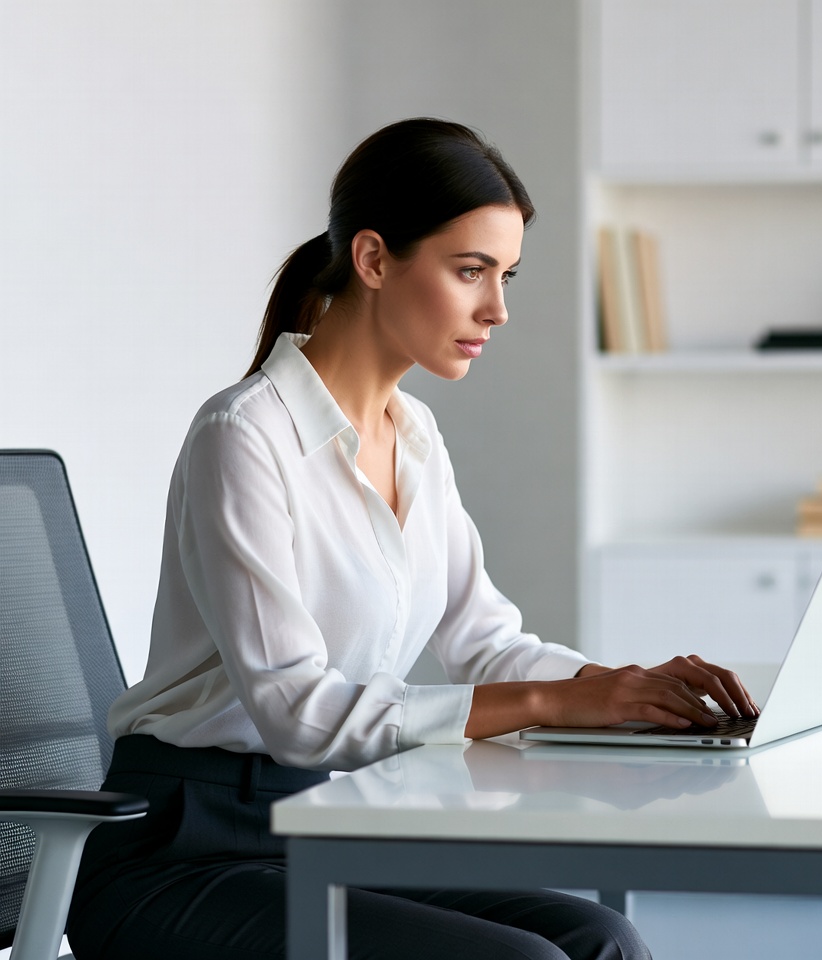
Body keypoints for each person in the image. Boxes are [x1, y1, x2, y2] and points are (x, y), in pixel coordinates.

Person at [67, 117, 757, 960]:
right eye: (470, 271)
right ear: (372, 259)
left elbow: (487, 642)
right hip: (181, 853)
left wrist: (623, 691)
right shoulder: (242, 434)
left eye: (504, 275)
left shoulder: (416, 436)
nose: (497, 309)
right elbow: (296, 712)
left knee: (603, 937)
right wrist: (555, 703)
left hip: (330, 825)